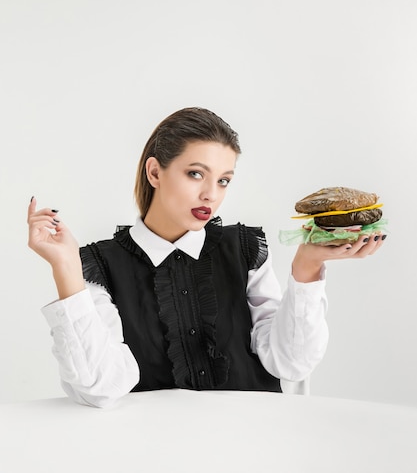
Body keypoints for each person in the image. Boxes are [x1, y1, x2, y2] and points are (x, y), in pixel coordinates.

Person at [27, 107, 385, 408]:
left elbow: (290, 363)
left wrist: (307, 268)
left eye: (224, 180)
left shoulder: (245, 250)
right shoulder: (99, 264)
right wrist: (66, 268)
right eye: (195, 174)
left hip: (255, 450)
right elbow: (100, 387)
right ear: (155, 172)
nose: (210, 195)